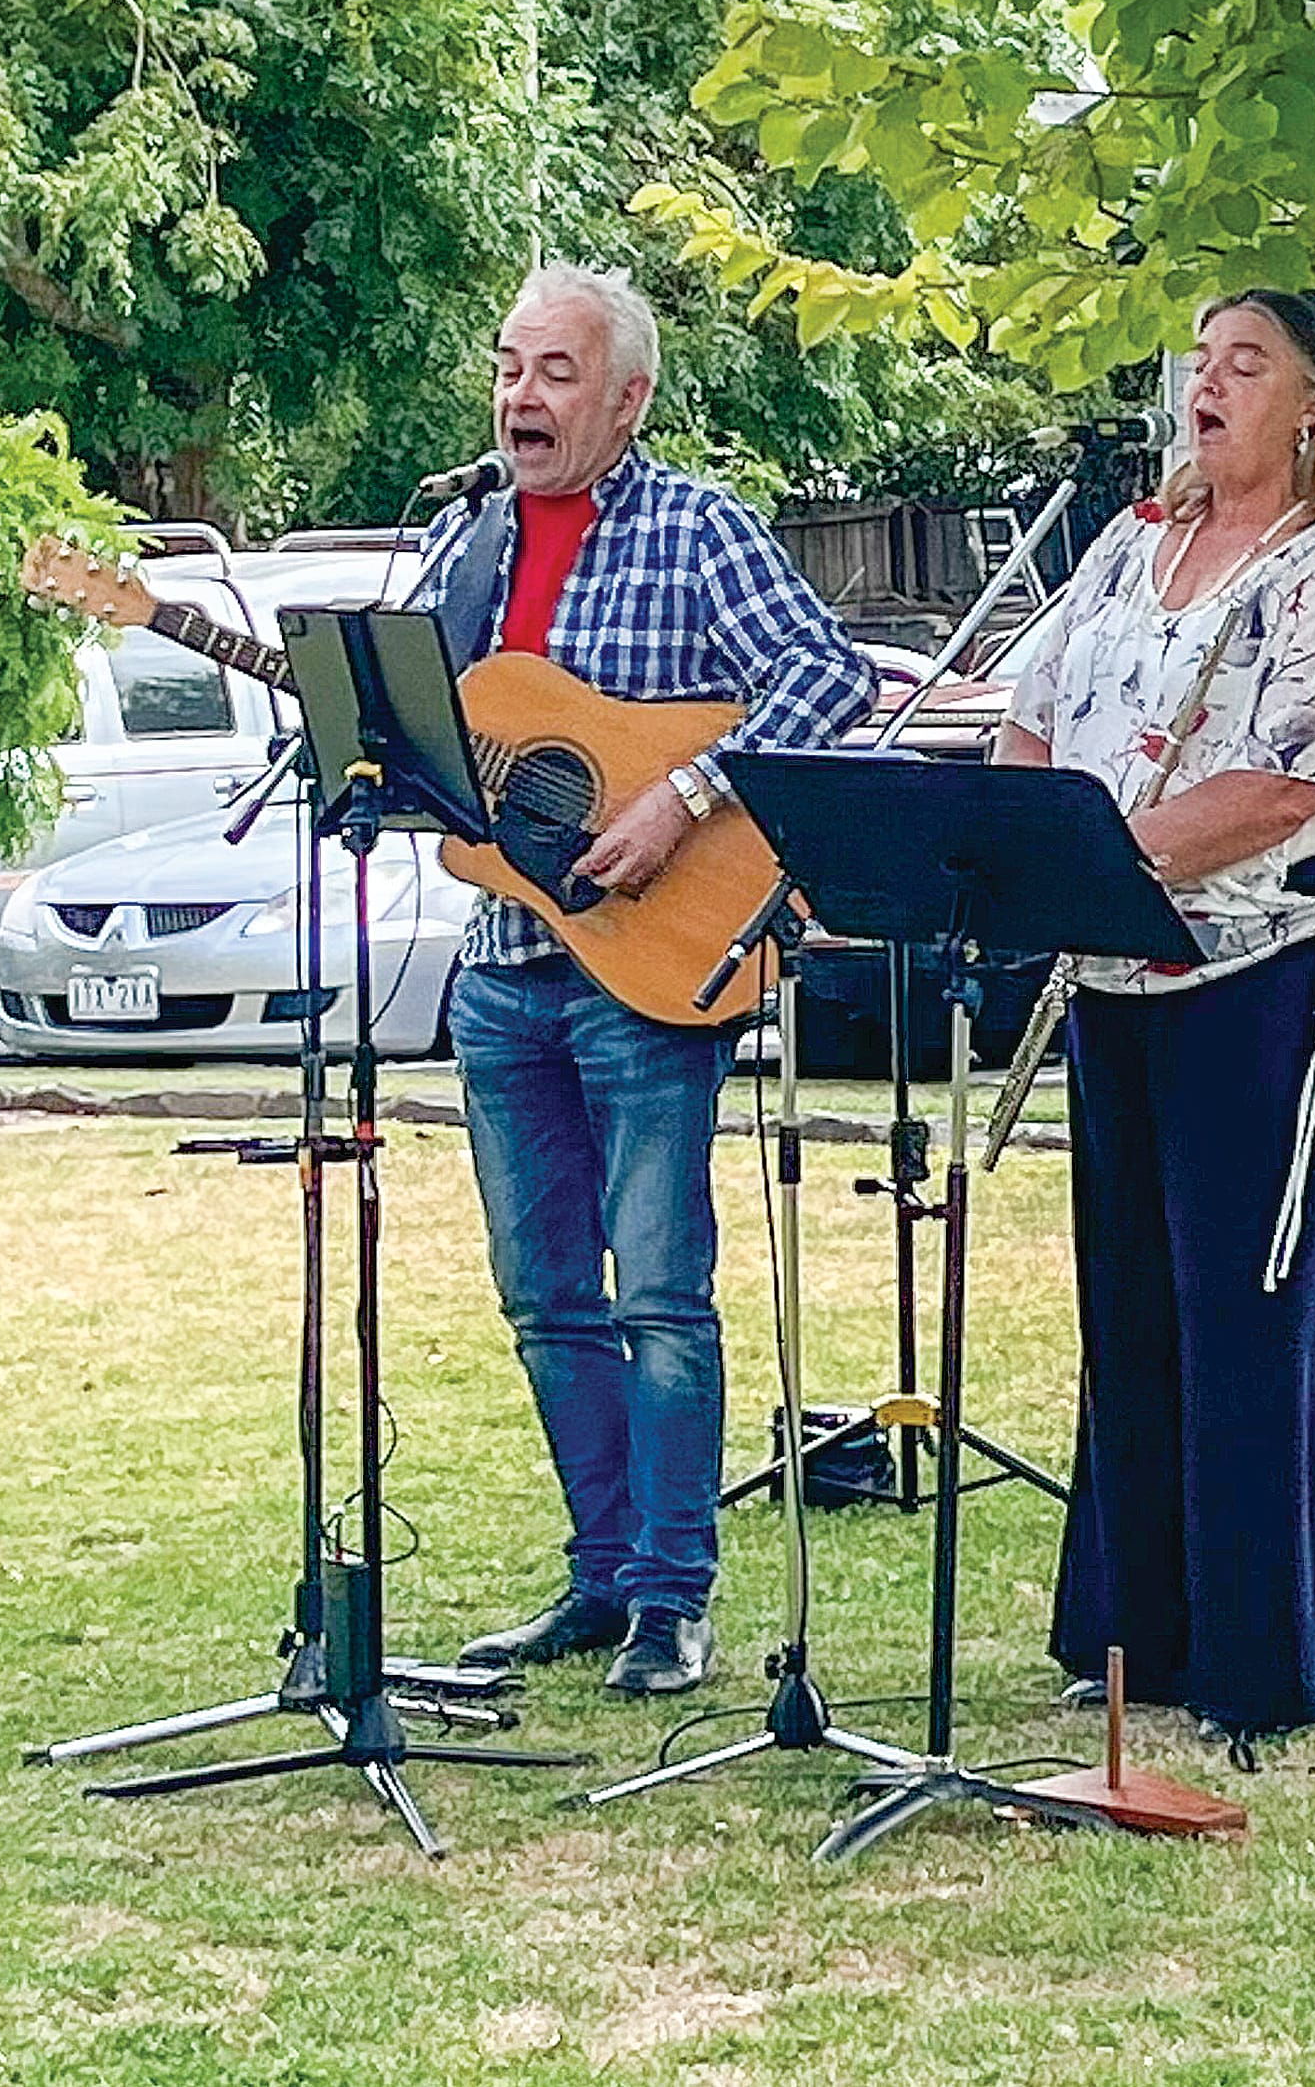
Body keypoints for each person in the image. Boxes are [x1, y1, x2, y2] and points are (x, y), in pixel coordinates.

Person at [414, 264, 876, 1695]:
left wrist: (678, 793)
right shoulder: (466, 545)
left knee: (658, 1297)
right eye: (507, 368)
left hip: (648, 970)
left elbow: (828, 673)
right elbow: (440, 733)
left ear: (627, 397)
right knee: (544, 1296)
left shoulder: (690, 529)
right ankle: (599, 1580)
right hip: (501, 968)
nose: (519, 398)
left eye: (553, 372)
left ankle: (676, 1597)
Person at [994, 288, 1315, 1748]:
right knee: (1127, 1306)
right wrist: (1034, 845)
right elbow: (1033, 711)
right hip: (1112, 970)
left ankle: (1257, 1663)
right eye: (1196, 361)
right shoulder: (1132, 546)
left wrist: (1114, 853)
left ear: (1311, 404)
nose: (1206, 384)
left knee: (1249, 1313)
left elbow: (1298, 782)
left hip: (1267, 979)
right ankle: (1133, 1636)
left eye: (1243, 364)